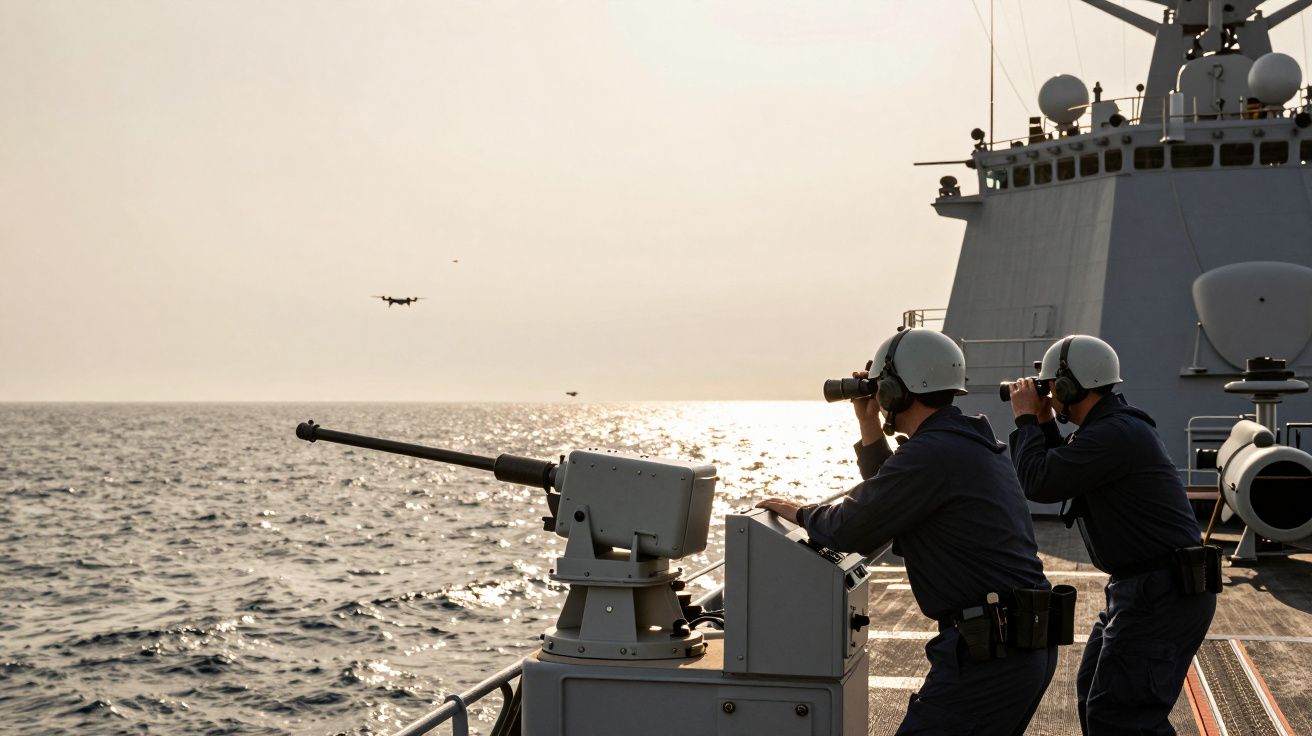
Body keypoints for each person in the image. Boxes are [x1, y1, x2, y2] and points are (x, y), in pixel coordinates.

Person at [757, 327, 1058, 736]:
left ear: (898, 391)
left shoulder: (932, 453)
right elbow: (895, 498)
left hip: (989, 656)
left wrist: (798, 512)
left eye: (883, 388)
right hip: (1015, 646)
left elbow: (849, 529)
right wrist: (869, 424)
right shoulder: (965, 441)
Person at [1006, 335, 1217, 736]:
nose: (1049, 393)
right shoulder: (1109, 429)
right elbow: (1062, 469)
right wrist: (1047, 420)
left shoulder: (1114, 435)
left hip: (1159, 595)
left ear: (1070, 387)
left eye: (1053, 386)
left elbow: (1040, 481)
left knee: (1123, 717)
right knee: (1096, 699)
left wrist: (1026, 419)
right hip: (1145, 590)